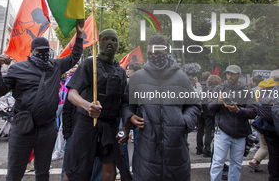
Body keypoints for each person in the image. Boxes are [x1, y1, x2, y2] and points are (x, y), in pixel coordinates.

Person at [0, 20, 84, 181]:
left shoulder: (55, 66)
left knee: (42, 172)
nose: (43, 54)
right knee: (15, 172)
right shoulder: (18, 69)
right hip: (23, 127)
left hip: (47, 128)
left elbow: (74, 56)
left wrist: (79, 35)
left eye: (46, 51)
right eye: (40, 51)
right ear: (32, 51)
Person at [123, 35, 201, 181]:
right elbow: (127, 104)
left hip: (176, 151)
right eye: (150, 54)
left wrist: (183, 122)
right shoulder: (137, 78)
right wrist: (130, 116)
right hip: (147, 151)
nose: (153, 57)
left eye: (157, 54)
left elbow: (194, 105)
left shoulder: (181, 77)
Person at [62, 29, 131, 181]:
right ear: (100, 42)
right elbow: (72, 94)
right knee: (74, 171)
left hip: (110, 126)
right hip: (87, 124)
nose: (110, 43)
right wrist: (87, 106)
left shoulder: (121, 72)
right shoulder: (89, 64)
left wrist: (125, 129)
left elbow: (124, 103)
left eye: (114, 40)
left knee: (110, 171)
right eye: (106, 39)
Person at [208, 65, 257, 181]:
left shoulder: (246, 91)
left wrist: (239, 110)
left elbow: (254, 111)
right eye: (228, 74)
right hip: (223, 130)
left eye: (233, 74)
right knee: (218, 162)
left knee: (236, 163)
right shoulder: (219, 89)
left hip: (240, 132)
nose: (229, 76)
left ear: (239, 75)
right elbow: (208, 109)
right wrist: (217, 102)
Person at [255, 70, 279, 180]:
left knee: (273, 154)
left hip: (266, 125)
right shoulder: (276, 88)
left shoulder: (262, 88)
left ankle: (273, 176)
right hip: (275, 123)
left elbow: (257, 102)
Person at [196, 71, 215, 157]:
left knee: (200, 130)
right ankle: (207, 149)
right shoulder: (208, 87)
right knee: (208, 130)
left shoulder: (198, 86)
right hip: (207, 110)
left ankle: (199, 148)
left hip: (199, 110)